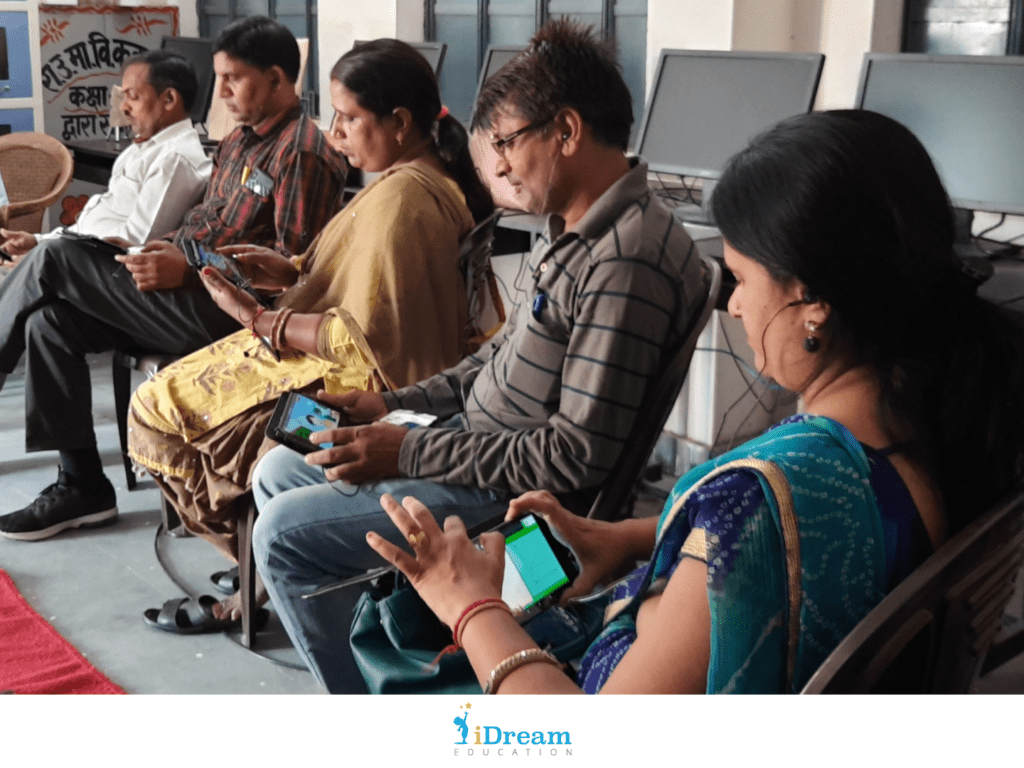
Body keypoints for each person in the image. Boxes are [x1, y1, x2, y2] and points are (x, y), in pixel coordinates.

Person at [365, 109, 1024, 694]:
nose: (733, 306)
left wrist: (473, 606)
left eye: (740, 279)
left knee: (399, 635)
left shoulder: (764, 498)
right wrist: (628, 538)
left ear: (814, 304)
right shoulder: (940, 421)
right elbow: (779, 550)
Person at [250, 20, 705, 692]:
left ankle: (365, 696)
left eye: (504, 143)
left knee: (282, 534)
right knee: (280, 470)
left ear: (568, 133)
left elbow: (573, 459)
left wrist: (403, 451)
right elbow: (496, 363)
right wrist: (393, 406)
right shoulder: (578, 229)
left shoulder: (625, 259)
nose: (493, 164)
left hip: (512, 493)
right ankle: (385, 665)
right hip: (476, 444)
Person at [127, 39, 493, 632]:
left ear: (399, 123)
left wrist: (257, 317)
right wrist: (293, 270)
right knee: (164, 398)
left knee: (160, 411)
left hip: (369, 382)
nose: (334, 132)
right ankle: (259, 564)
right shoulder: (413, 178)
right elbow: (365, 278)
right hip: (340, 351)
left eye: (348, 118)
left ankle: (263, 568)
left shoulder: (403, 200)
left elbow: (366, 336)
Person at [0, 16, 346, 542]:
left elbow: (295, 274)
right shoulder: (240, 143)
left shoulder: (298, 151)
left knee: (53, 261)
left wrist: (186, 268)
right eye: (219, 76)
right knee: (52, 322)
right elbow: (202, 225)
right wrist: (156, 252)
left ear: (278, 79)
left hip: (229, 317)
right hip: (181, 289)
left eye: (233, 78)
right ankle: (83, 486)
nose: (221, 91)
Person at [0, 50, 211, 262]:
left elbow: (136, 243)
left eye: (133, 97)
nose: (123, 107)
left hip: (104, 268)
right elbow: (95, 223)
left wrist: (50, 255)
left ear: (169, 99)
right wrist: (39, 240)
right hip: (76, 257)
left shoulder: (174, 160)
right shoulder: (145, 147)